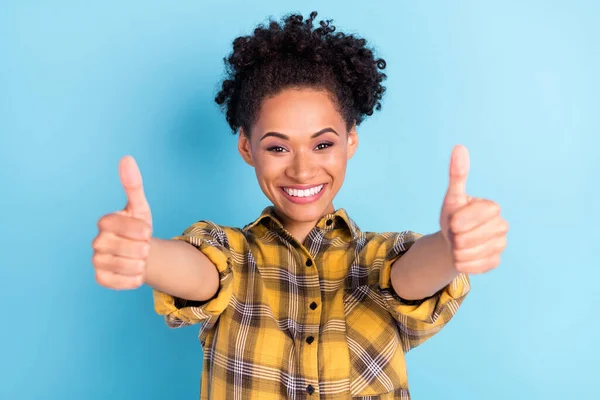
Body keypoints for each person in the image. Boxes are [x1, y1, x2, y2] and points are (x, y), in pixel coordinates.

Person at [91, 11, 508, 400]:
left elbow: (410, 276)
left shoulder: (376, 260)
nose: (302, 170)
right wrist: (145, 257)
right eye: (277, 147)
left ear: (351, 141)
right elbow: (199, 272)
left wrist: (452, 248)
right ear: (246, 147)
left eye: (323, 144)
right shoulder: (231, 255)